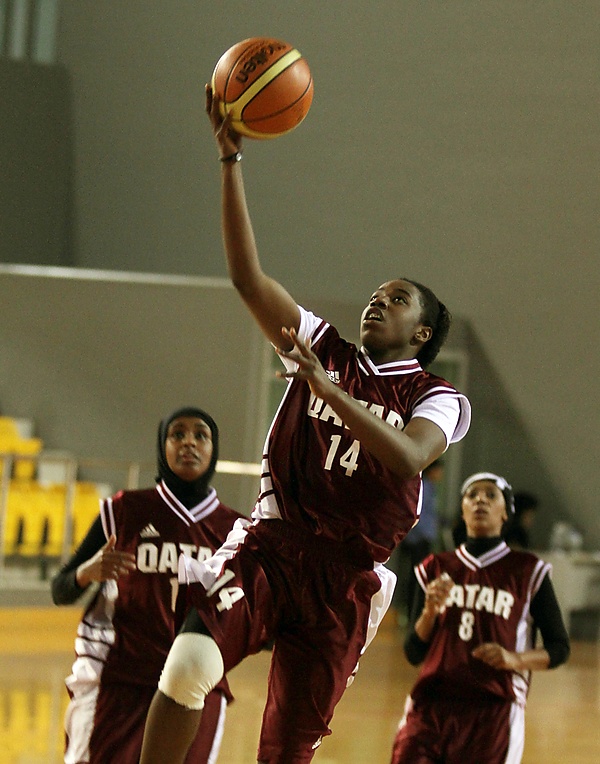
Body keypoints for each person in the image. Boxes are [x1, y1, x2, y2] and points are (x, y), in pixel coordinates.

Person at [138, 89, 471, 764]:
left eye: (396, 300)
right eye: (375, 295)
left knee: (286, 750)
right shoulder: (323, 347)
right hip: (271, 545)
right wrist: (230, 160)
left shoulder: (437, 396)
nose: (377, 303)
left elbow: (409, 457)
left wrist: (328, 392)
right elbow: (247, 279)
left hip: (345, 581)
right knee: (187, 667)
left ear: (422, 331)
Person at [51, 406, 246, 764]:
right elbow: (60, 589)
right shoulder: (124, 511)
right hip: (118, 677)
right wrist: (87, 573)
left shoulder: (237, 531)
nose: (189, 443)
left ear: (214, 448)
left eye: (200, 435)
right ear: (162, 445)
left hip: (193, 686)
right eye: (177, 434)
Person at [390, 472, 570, 764]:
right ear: (462, 511)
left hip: (493, 708)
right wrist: (429, 612)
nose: (480, 501)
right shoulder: (435, 568)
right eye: (472, 495)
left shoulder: (527, 571)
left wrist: (514, 659)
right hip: (432, 705)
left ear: (506, 513)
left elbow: (559, 648)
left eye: (490, 495)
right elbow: (414, 652)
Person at [397, 459, 444, 619]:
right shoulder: (424, 486)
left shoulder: (431, 487)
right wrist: (425, 534)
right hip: (417, 540)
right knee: (415, 578)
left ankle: (413, 612)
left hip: (422, 539)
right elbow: (419, 514)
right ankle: (410, 613)